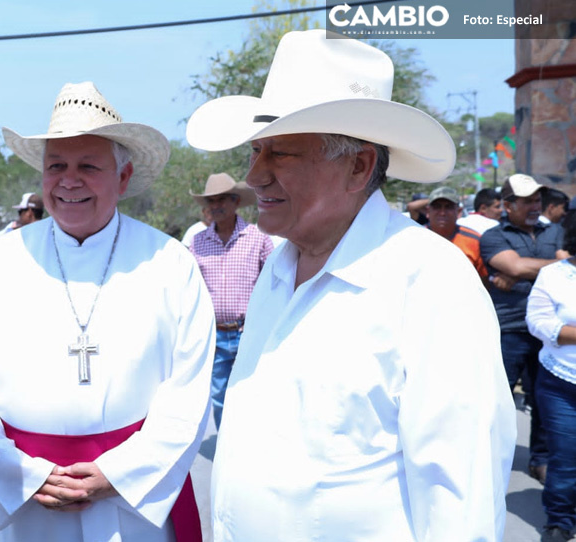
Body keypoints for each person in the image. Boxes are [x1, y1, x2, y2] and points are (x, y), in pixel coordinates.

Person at [186, 29, 516, 541]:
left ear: (359, 165)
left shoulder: (428, 281)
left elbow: (461, 497)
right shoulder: (276, 269)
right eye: (256, 151)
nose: (254, 175)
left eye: (281, 154)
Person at [0, 81, 214, 542]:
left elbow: (188, 391)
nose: (68, 181)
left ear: (124, 177)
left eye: (87, 166)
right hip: (27, 501)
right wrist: (22, 473)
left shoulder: (170, 263)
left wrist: (120, 472)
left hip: (133, 500)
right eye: (56, 166)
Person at [481, 174, 568, 486]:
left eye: (537, 200)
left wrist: (519, 271)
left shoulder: (556, 230)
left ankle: (540, 461)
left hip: (548, 333)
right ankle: (487, 459)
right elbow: (515, 267)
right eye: (527, 200)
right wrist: (556, 264)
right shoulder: (493, 236)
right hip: (509, 329)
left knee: (544, 402)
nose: (535, 206)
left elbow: (518, 269)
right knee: (497, 400)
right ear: (508, 205)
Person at [188, 172, 273, 427]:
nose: (215, 206)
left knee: (253, 390)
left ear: (236, 201)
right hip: (214, 335)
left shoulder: (258, 238)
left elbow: (273, 285)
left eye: (221, 200)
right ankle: (225, 452)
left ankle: (252, 443)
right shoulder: (197, 243)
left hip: (250, 332)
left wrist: (262, 322)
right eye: (211, 201)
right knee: (219, 394)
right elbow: (191, 289)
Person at [527, 209, 576, 542]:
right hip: (561, 381)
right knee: (566, 454)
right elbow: (538, 322)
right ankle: (559, 519)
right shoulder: (554, 275)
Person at [425, 185, 488, 281]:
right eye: (437, 207)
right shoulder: (414, 238)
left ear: (459, 211)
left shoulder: (474, 241)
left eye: (448, 207)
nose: (442, 213)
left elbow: (484, 279)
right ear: (428, 211)